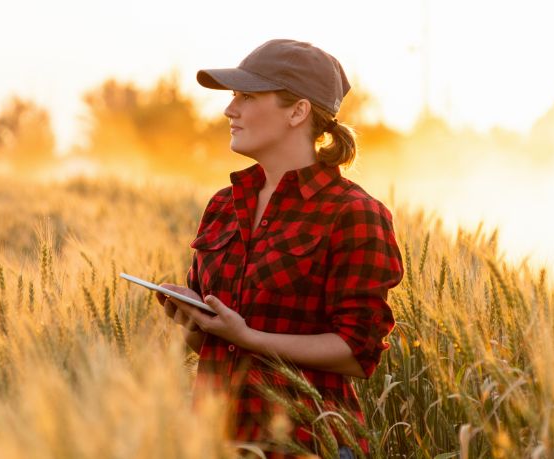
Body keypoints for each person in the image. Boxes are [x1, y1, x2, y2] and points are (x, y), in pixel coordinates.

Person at [155, 39, 404, 458]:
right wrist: (195, 322)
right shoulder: (222, 205)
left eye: (247, 96)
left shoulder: (352, 213)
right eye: (233, 96)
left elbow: (357, 353)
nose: (229, 110)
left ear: (297, 111)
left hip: (307, 445)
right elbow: (219, 346)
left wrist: (248, 336)